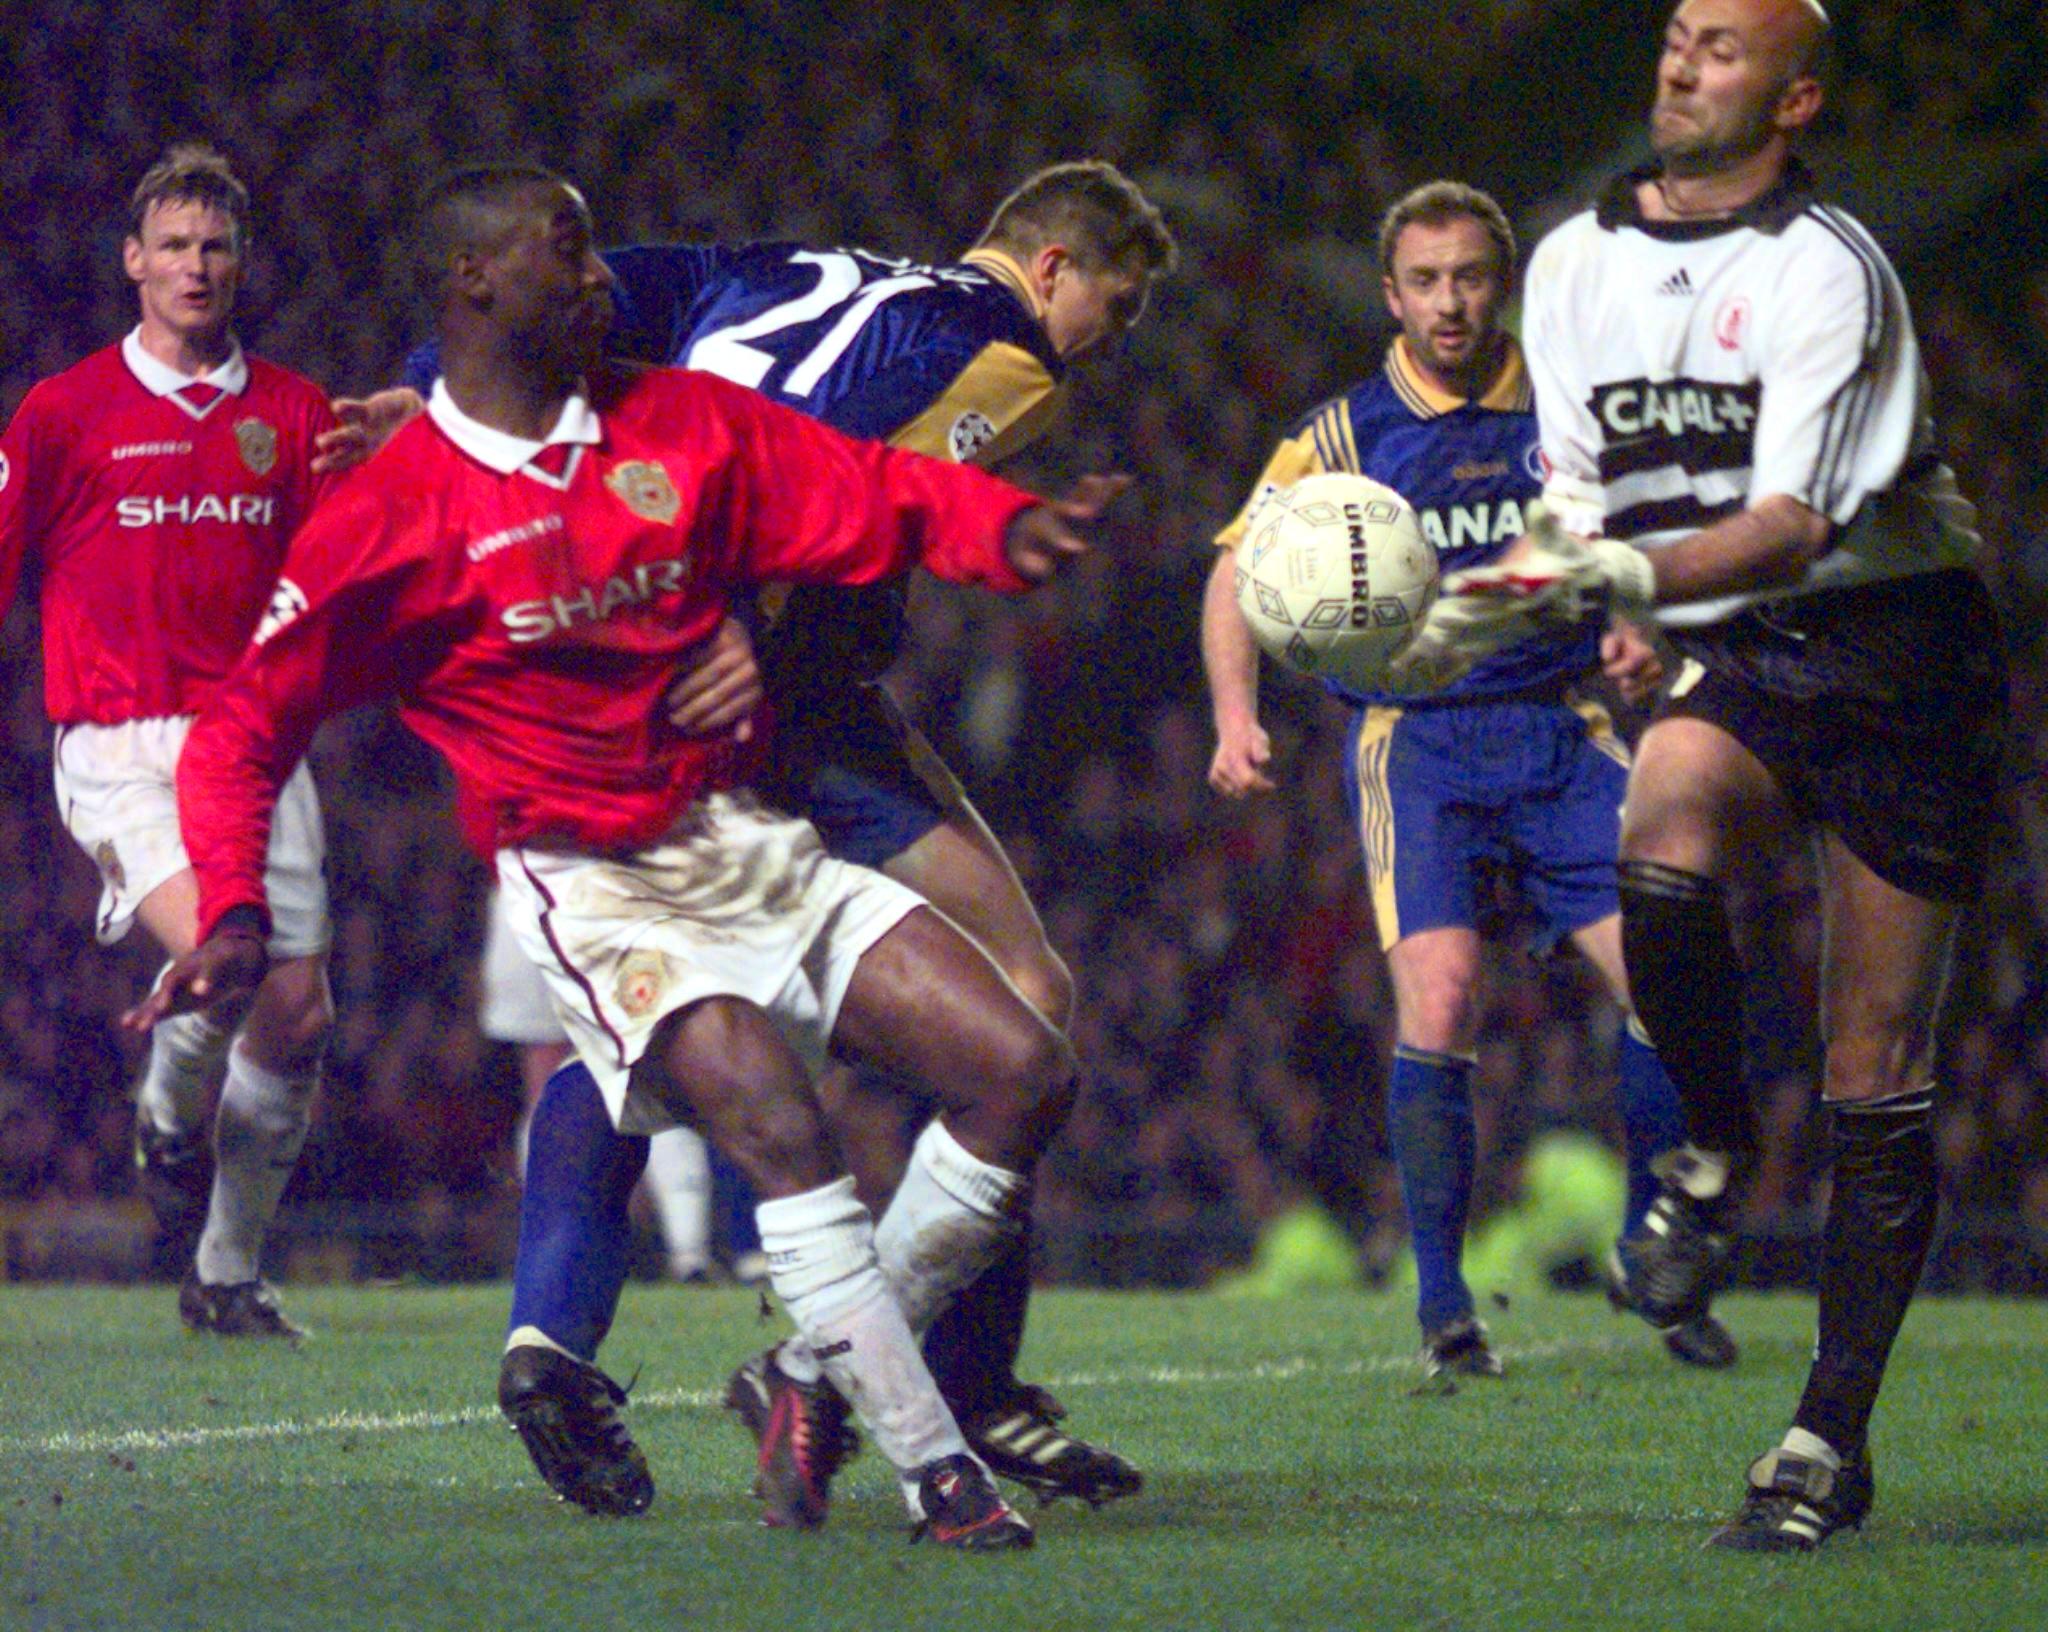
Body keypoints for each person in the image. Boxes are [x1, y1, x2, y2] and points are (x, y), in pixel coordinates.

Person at [130, 162, 1126, 1552]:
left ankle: (780, 1368)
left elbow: (865, 490)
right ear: (479, 283)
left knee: (1028, 1065)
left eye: (598, 255)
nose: (600, 282)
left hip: (741, 827)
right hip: (594, 878)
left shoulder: (677, 416)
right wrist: (232, 905)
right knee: (782, 1125)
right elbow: (241, 723)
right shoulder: (396, 515)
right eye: (567, 257)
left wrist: (1006, 528)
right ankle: (938, 1471)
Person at [1405, 0, 2002, 1550]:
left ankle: (1825, 1441)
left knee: (1875, 1067)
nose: (1680, 62)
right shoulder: (1574, 260)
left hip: (1897, 653)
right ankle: (1716, 1154)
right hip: (1744, 648)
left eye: (1723, 48)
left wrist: (1618, 587)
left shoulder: (1829, 270)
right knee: (1656, 845)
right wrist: (1447, 620)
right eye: (1676, 34)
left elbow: (1793, 528)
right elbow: (1576, 505)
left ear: (1794, 96)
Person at [1202, 181, 1734, 1380]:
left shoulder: (1570, 411)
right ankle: (1444, 1304)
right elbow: (1236, 568)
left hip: (1561, 733)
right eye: (1425, 281)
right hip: (1419, 745)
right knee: (1438, 1005)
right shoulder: (1341, 435)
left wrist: (1637, 621)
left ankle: (1657, 1250)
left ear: (1501, 285)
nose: (1449, 302)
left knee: (1666, 987)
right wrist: (1235, 716)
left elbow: (1650, 535)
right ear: (1389, 296)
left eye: (1469, 278)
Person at [0, 143, 338, 1339]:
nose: (195, 266)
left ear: (239, 264)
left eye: (216, 246)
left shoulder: (294, 415)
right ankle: (165, 1112)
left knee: (295, 1017)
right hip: (119, 742)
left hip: (254, 740)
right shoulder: (63, 412)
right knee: (227, 956)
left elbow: (338, 581)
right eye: (175, 246)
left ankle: (226, 1275)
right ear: (132, 263)